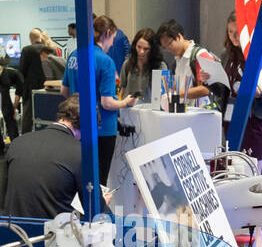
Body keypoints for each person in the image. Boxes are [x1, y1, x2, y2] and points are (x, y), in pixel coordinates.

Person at [61, 15, 137, 179]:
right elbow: (107, 102)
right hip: (102, 130)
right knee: (99, 180)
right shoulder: (105, 61)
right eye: (113, 38)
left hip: (78, 127)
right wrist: (125, 102)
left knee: (81, 179)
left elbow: (64, 92)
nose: (112, 44)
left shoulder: (74, 55)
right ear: (108, 33)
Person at [1, 97, 83, 220]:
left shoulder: (18, 142)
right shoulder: (78, 151)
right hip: (56, 233)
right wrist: (103, 201)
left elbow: (4, 195)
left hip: (13, 230)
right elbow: (94, 207)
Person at [217, 11, 262, 165]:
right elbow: (223, 87)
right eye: (230, 32)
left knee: (252, 166)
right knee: (233, 166)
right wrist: (210, 78)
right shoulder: (226, 54)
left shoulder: (259, 51)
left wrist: (260, 93)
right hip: (231, 114)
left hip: (255, 116)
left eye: (237, 32)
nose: (234, 36)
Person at [155, 19, 215, 108]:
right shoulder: (177, 60)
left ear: (179, 36)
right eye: (165, 47)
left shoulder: (200, 55)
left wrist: (177, 94)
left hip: (202, 114)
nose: (168, 49)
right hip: (186, 113)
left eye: (169, 44)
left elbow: (206, 89)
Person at [17, 28, 62, 133]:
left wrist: (19, 90)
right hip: (49, 89)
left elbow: (22, 71)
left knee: (28, 118)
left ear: (30, 38)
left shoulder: (26, 50)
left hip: (30, 89)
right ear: (40, 37)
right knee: (49, 116)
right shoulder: (51, 50)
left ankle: (26, 142)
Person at [118, 29, 163, 102]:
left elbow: (163, 92)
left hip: (150, 110)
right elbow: (122, 88)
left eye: (146, 49)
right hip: (128, 110)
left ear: (152, 50)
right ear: (135, 45)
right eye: (139, 47)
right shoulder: (127, 64)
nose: (141, 52)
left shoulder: (160, 66)